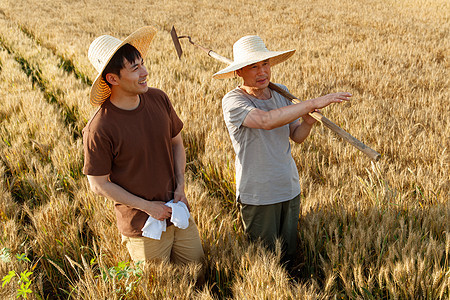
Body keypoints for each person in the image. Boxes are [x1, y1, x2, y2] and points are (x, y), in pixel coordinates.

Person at [213, 35, 351, 269]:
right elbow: (266, 121)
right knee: (264, 263)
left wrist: (307, 122)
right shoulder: (233, 101)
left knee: (288, 256)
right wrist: (311, 103)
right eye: (253, 67)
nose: (262, 72)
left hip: (288, 187)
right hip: (259, 194)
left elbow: (296, 136)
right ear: (239, 72)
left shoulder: (281, 93)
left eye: (265, 64)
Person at [82, 26, 204, 265]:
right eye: (135, 68)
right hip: (143, 227)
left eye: (143, 63)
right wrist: (148, 207)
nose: (145, 72)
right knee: (158, 288)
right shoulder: (100, 127)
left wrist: (181, 185)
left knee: (198, 273)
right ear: (113, 78)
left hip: (178, 212)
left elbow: (176, 143)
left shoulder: (159, 99)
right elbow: (98, 184)